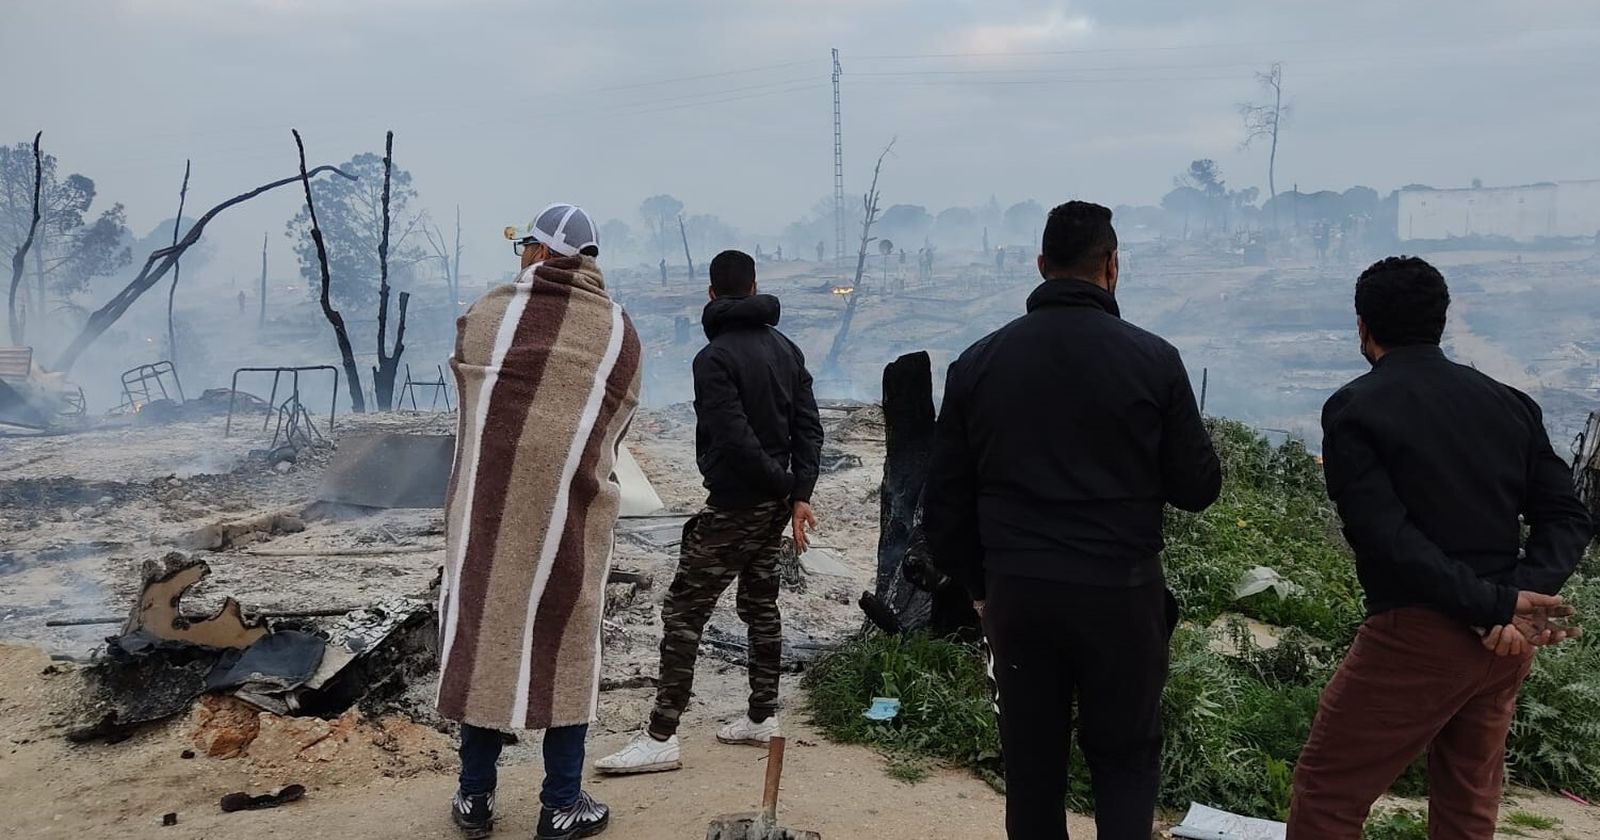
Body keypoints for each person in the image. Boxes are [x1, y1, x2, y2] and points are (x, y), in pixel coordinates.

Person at [923, 201, 1221, 839]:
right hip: (1123, 594)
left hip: (1019, 594)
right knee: (1125, 758)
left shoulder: (978, 363)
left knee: (1032, 768)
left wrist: (981, 588)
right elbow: (1198, 489)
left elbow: (943, 504)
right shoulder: (1154, 360)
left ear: (1041, 266)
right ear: (1113, 266)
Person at [1287, 256, 1590, 839]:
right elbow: (1567, 516)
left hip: (1418, 634)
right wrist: (1521, 598)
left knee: (1328, 792)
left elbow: (1387, 537)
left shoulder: (1356, 407)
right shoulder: (1509, 403)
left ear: (1363, 326)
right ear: (1441, 321)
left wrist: (1495, 605)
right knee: (1467, 803)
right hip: (1505, 648)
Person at [436, 202, 641, 840]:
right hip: (570, 519)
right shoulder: (617, 332)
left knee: (486, 636)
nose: (520, 255)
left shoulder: (489, 314)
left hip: (488, 520)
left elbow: (472, 384)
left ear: (541, 252)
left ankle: (474, 799)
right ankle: (560, 804)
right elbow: (612, 426)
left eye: (525, 245)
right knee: (566, 644)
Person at [596, 249, 824, 775]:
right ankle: (761, 716)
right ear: (754, 286)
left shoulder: (714, 358)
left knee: (683, 613)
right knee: (761, 604)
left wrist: (786, 485)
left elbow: (733, 436)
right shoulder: (786, 350)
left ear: (711, 292)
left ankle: (661, 736)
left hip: (736, 506)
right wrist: (797, 493)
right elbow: (809, 427)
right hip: (772, 507)